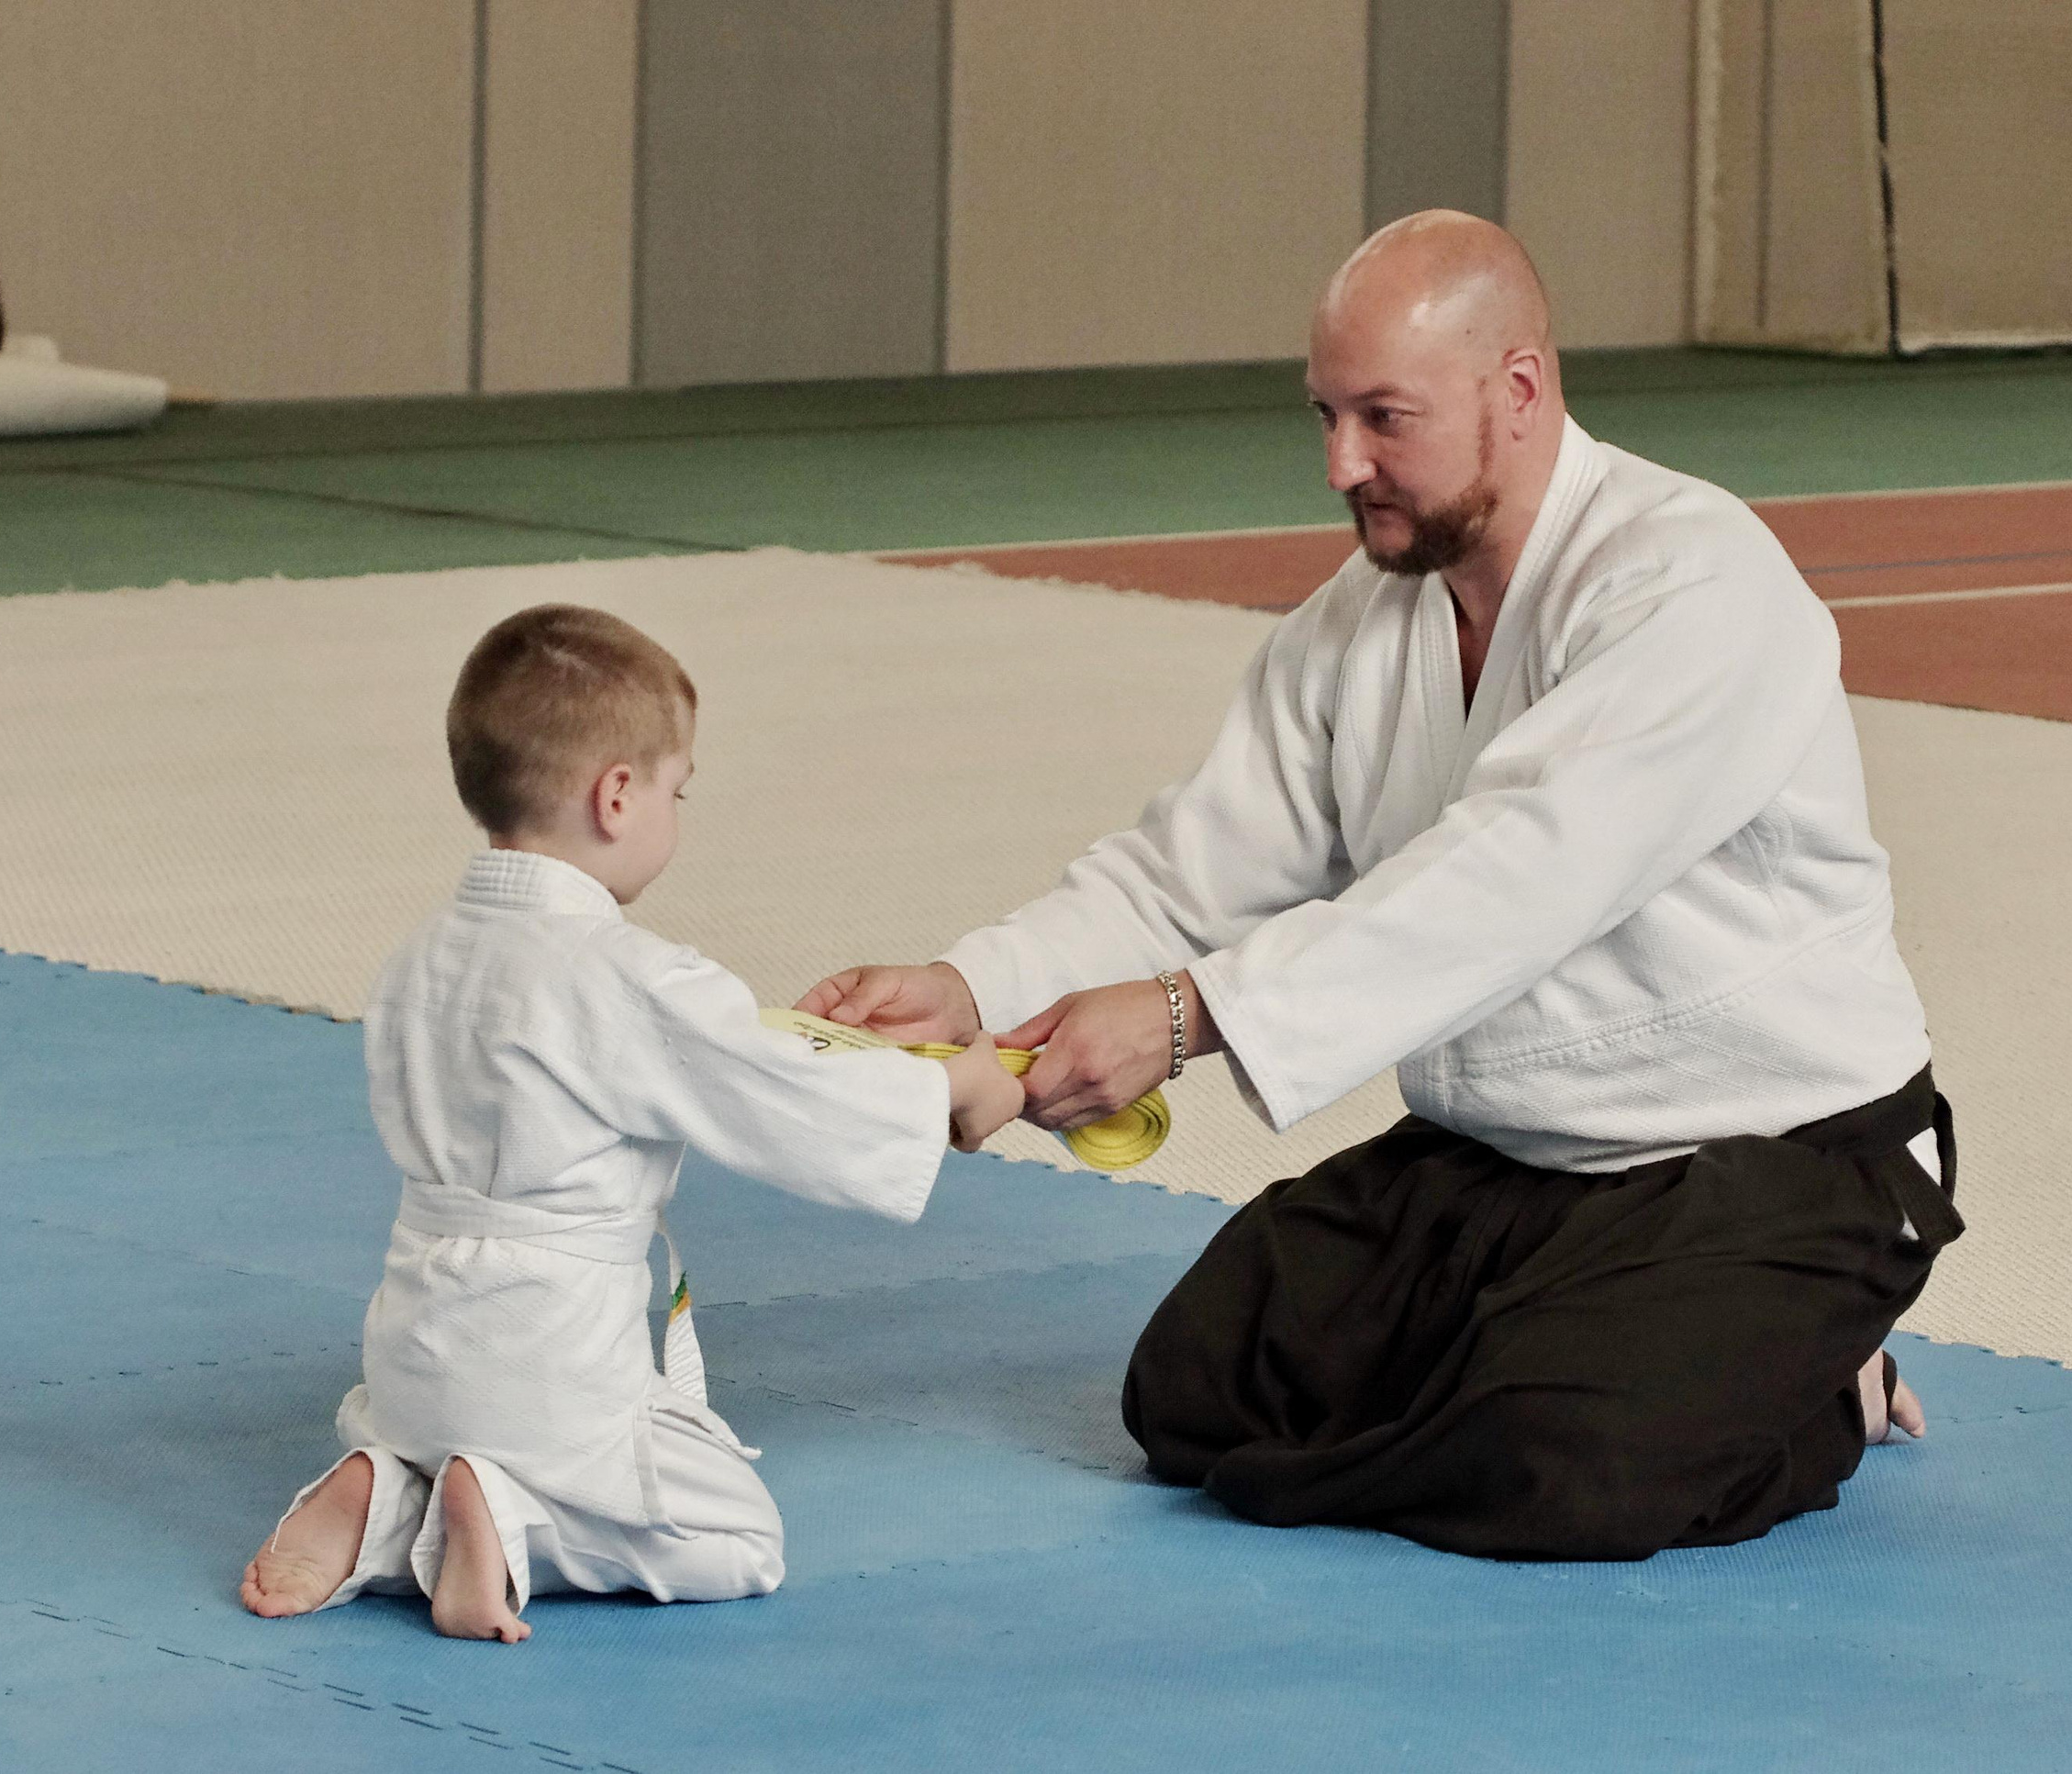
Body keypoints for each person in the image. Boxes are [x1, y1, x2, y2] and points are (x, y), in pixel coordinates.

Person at [798, 211, 1962, 1561]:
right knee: (1197, 1388)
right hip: (1514, 1157)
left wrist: (1184, 1019)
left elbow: (1507, 882)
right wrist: (969, 988)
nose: (1343, 463)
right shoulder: (1363, 621)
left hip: (1776, 1158)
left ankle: (1821, 1384)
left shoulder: (1694, 585)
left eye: (1384, 418)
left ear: (1518, 391)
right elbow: (1192, 870)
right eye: (1326, 416)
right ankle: (1634, 1351)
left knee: (1558, 1466)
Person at [240, 604, 1022, 1640]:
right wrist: (961, 1089)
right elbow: (787, 1096)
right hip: (549, 1357)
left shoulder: (417, 958)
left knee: (463, 1430)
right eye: (676, 788)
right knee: (735, 1534)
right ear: (617, 795)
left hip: (411, 1355)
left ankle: (392, 1495)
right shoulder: (629, 976)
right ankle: (511, 1518)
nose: (675, 811)